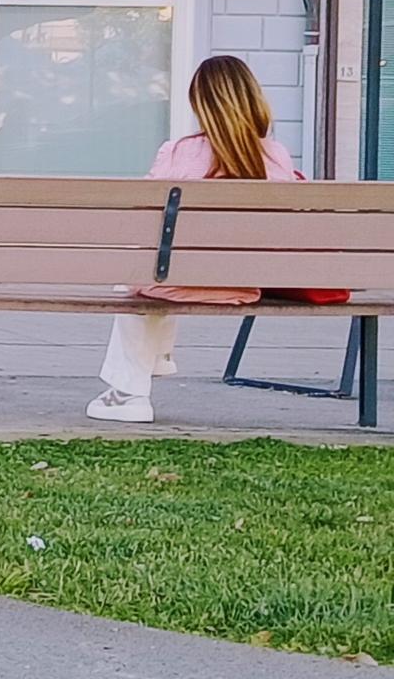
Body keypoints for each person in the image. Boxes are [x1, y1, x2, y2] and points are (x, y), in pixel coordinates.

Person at [88, 56, 299, 424]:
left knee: (141, 278)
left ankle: (129, 393)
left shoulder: (179, 151)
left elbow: (143, 219)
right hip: (241, 285)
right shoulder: (275, 156)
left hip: (174, 280)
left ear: (199, 103)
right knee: (153, 276)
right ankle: (154, 359)